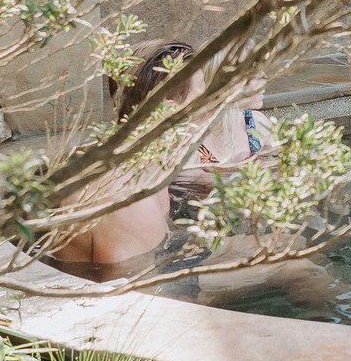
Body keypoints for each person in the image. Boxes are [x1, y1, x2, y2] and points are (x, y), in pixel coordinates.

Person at [46, 39, 235, 282]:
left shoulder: (143, 165)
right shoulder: (126, 199)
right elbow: (140, 299)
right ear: (168, 111)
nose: (212, 108)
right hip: (125, 303)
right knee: (292, 272)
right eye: (203, 95)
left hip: (152, 267)